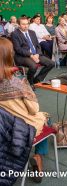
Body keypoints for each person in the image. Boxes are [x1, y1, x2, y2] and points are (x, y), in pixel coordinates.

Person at [0, 37, 49, 183]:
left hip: (4, 127)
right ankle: (38, 158)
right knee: (44, 117)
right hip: (21, 126)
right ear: (10, 55)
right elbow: (34, 109)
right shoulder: (17, 79)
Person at [11, 17, 54, 87]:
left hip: (36, 54)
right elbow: (18, 49)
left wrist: (37, 54)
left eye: (27, 24)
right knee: (33, 66)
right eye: (23, 24)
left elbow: (38, 45)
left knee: (51, 63)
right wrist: (31, 55)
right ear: (19, 25)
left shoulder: (32, 32)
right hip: (22, 56)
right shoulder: (15, 34)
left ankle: (36, 80)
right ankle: (30, 82)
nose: (26, 26)